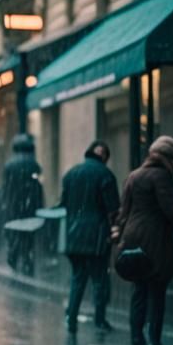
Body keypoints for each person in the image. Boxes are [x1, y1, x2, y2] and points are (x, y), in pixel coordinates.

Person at [114, 135, 173, 345]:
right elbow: (170, 211)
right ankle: (154, 341)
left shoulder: (134, 175)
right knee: (157, 292)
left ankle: (137, 341)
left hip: (131, 239)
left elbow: (123, 213)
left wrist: (119, 237)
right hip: (154, 241)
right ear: (169, 159)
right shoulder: (161, 176)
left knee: (139, 292)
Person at [60, 140, 120, 334]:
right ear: (103, 156)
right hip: (96, 235)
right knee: (99, 279)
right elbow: (113, 209)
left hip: (74, 233)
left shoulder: (71, 174)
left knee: (77, 278)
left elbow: (64, 204)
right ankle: (100, 319)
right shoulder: (106, 175)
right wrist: (115, 230)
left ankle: (72, 317)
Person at [2, 133, 43, 277]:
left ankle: (13, 256)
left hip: (13, 205)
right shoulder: (33, 164)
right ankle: (27, 260)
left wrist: (6, 203)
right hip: (30, 206)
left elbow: (6, 188)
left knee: (15, 233)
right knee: (28, 235)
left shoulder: (9, 165)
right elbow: (38, 186)